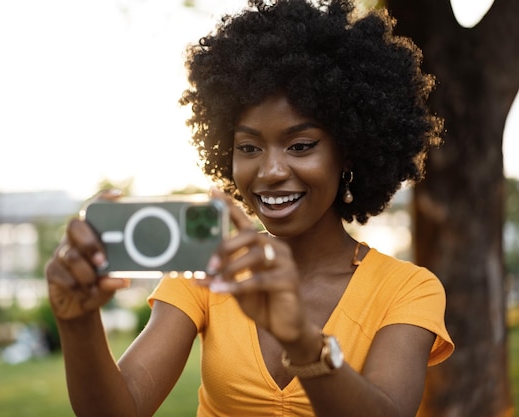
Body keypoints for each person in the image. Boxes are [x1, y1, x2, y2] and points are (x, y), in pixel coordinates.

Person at [44, 0, 455, 416]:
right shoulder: (205, 269)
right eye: (248, 147)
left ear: (348, 152)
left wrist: (299, 338)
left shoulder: (408, 289)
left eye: (300, 146)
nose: (271, 170)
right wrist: (78, 322)